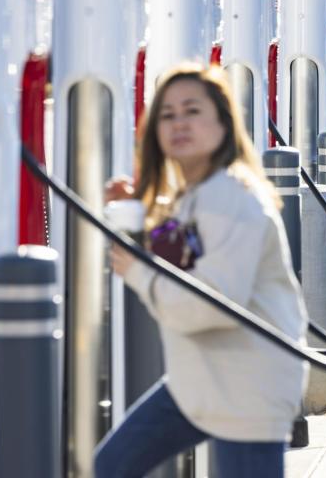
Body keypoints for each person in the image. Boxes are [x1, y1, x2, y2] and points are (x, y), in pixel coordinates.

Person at [95, 63, 309, 477]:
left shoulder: (232, 199)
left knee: (111, 467)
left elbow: (209, 305)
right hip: (201, 383)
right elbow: (181, 248)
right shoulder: (198, 195)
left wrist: (138, 272)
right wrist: (140, 206)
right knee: (111, 467)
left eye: (192, 111)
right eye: (168, 114)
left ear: (224, 124)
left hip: (247, 390)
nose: (179, 123)